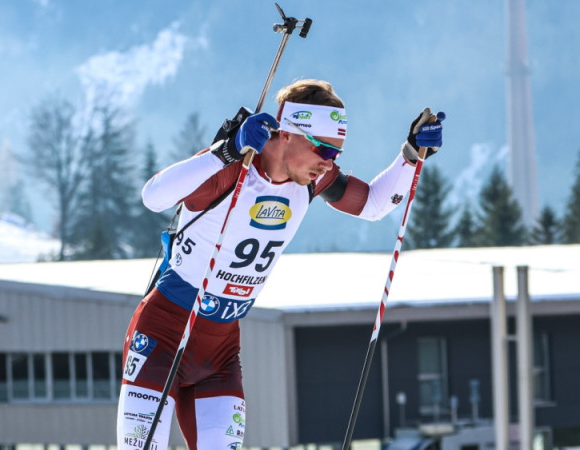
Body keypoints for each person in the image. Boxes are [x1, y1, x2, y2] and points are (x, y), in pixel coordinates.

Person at [116, 79, 444, 450]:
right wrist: (223, 152)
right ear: (286, 134)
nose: (329, 162)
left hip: (220, 350)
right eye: (323, 149)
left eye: (336, 153)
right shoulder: (231, 170)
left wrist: (411, 155)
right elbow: (153, 197)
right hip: (162, 333)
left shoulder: (308, 183)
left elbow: (372, 204)